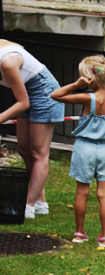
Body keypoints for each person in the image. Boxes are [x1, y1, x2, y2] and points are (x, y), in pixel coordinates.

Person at [51, 56, 105, 248]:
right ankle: (104, 237)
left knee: (82, 192)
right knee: (104, 195)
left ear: (89, 78)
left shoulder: (87, 98)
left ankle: (79, 233)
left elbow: (55, 95)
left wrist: (76, 84)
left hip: (85, 147)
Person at [0, 40, 64, 220]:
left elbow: (23, 103)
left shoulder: (7, 61)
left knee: (38, 152)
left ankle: (27, 206)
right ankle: (40, 202)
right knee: (24, 150)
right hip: (27, 93)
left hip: (45, 93)